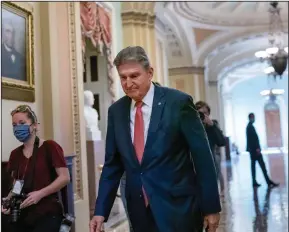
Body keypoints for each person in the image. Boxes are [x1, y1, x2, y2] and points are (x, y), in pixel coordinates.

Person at [90, 46, 221, 232]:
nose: (128, 83)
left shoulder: (178, 103)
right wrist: (100, 211)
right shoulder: (116, 111)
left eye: (134, 76)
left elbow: (203, 158)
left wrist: (211, 207)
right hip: (139, 211)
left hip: (178, 208)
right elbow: (113, 164)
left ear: (149, 73)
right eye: (123, 77)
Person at [1, 105, 70, 232]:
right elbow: (17, 184)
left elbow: (65, 178)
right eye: (14, 125)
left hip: (47, 211)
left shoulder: (50, 147)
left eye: (22, 123)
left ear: (35, 126)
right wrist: (7, 200)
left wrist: (40, 193)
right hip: (23, 213)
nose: (17, 128)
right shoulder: (15, 154)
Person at [195, 101, 226, 194]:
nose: (203, 116)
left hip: (210, 162)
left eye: (205, 113)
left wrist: (212, 125)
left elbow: (222, 142)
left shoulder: (212, 126)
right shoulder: (192, 126)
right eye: (200, 113)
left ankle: (221, 192)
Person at [246, 113, 279, 188]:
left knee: (254, 167)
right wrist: (257, 148)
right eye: (253, 117)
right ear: (251, 118)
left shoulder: (250, 126)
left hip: (253, 151)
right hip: (255, 151)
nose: (254, 119)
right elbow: (253, 140)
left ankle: (257, 182)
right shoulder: (250, 127)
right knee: (262, 166)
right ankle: (268, 181)